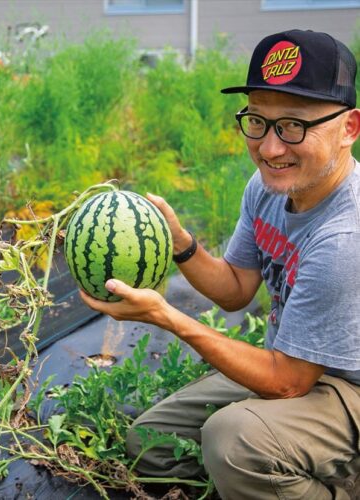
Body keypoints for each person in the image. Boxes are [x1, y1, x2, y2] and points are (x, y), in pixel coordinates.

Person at [80, 29, 360, 499]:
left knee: (233, 440)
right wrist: (180, 243)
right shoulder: (270, 186)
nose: (270, 148)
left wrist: (166, 317)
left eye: (294, 126)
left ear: (349, 127)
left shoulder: (345, 237)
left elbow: (288, 383)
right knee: (150, 443)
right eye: (258, 121)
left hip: (345, 389)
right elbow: (235, 289)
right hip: (297, 364)